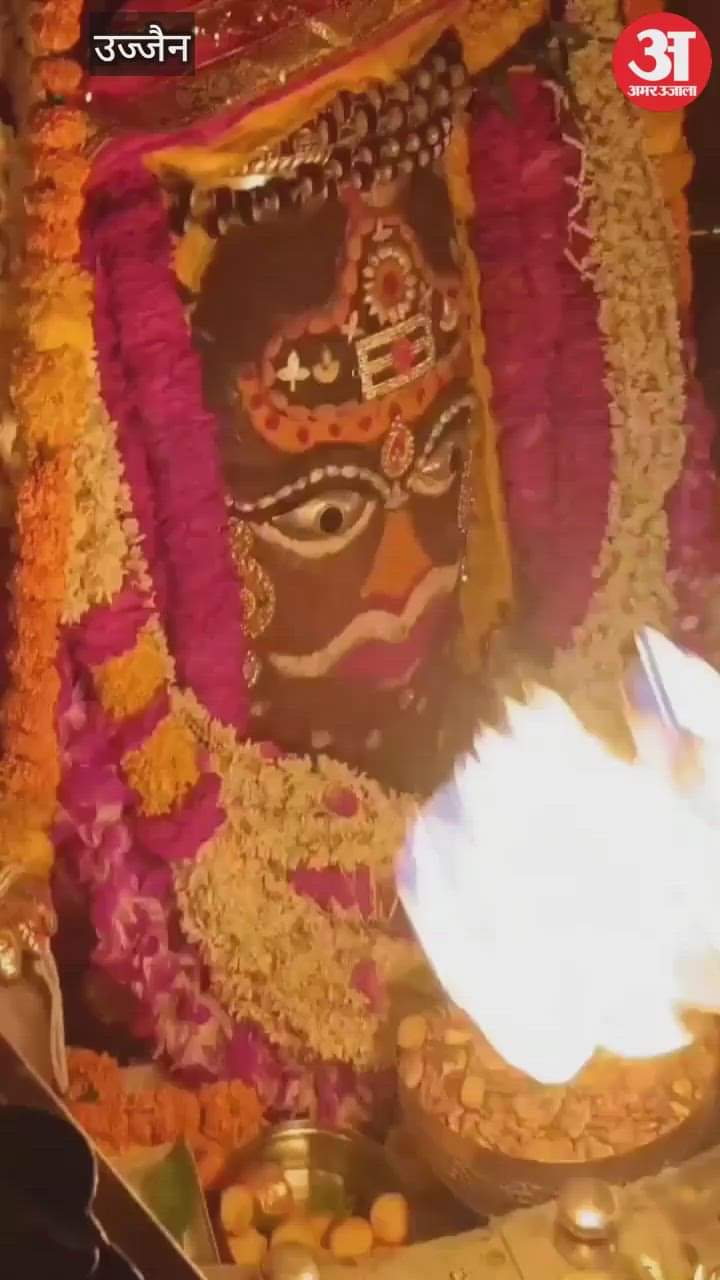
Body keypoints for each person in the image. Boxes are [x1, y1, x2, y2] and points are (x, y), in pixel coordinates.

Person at [0, 0, 718, 1138]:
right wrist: (178, 52)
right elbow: (106, 58)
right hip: (165, 111)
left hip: (433, 86)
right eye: (332, 514)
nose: (397, 577)